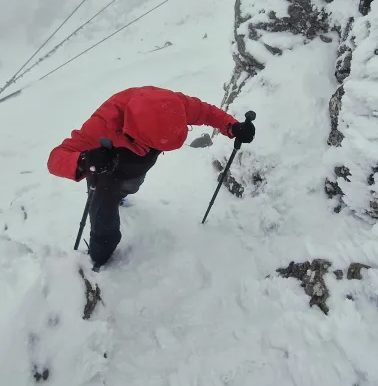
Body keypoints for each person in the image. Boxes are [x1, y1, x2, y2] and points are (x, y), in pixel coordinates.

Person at [47, 85, 256, 267]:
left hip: (137, 164)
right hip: (105, 168)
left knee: (131, 184)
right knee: (103, 214)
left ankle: (122, 195)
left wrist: (233, 127)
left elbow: (206, 113)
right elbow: (56, 159)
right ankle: (99, 256)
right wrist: (86, 161)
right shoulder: (104, 123)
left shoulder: (173, 105)